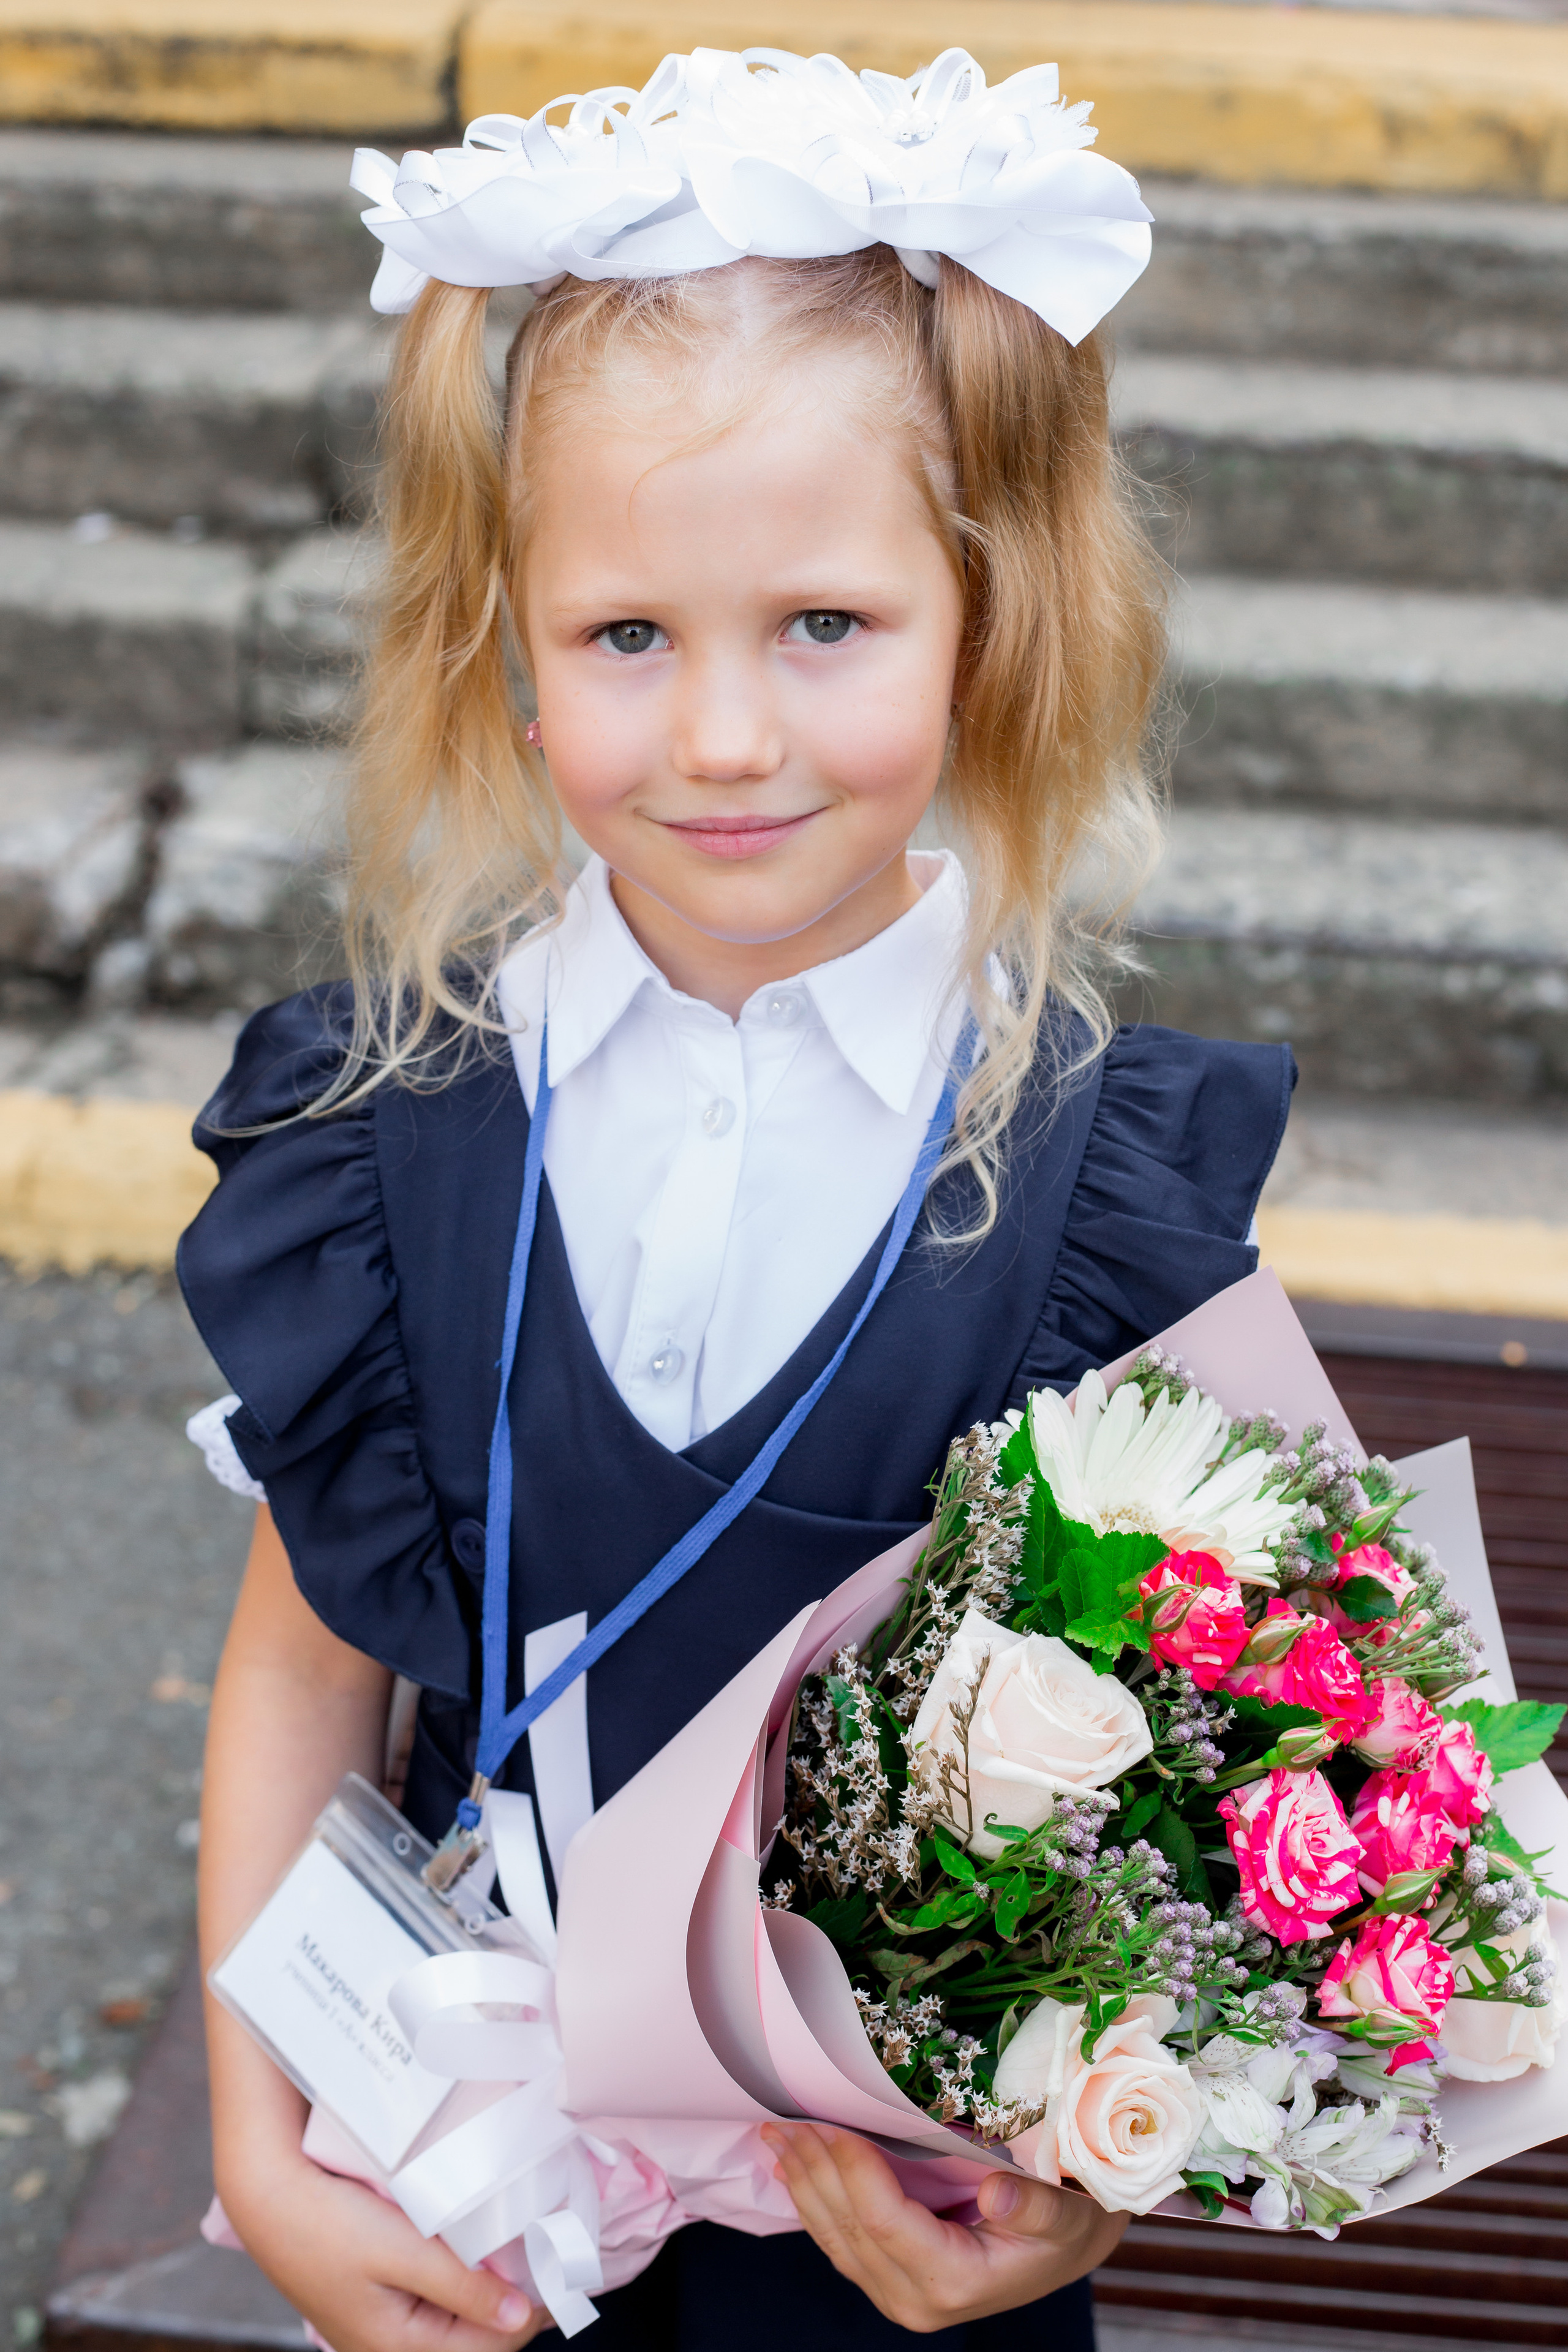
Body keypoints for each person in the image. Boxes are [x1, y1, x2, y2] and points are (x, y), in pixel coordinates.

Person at [178, 46, 1294, 2352]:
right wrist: (258, 2141)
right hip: (471, 2183)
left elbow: (1192, 1789)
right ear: (505, 651)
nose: (719, 738)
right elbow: (305, 1660)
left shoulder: (1102, 1183)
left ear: (990, 615)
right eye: (626, 637)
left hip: (885, 2235)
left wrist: (1084, 2197)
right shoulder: (392, 1124)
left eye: (823, 625)